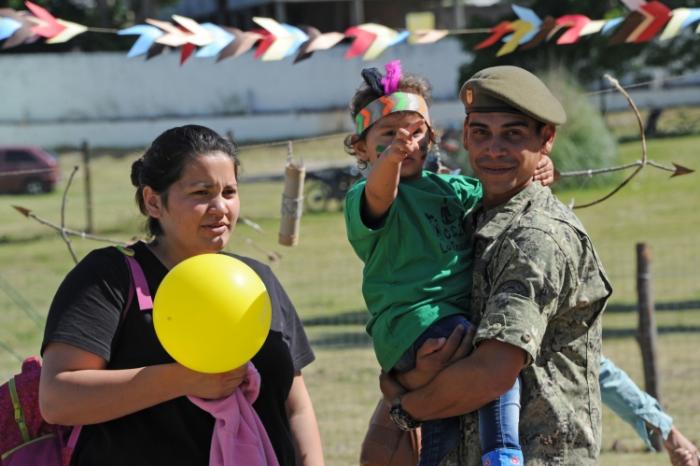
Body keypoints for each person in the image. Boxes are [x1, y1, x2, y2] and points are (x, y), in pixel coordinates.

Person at [38, 125, 324, 466]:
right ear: (153, 201)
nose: (220, 207)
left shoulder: (257, 280)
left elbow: (296, 405)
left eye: (229, 192)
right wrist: (183, 379)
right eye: (202, 193)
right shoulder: (109, 276)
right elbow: (58, 399)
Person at [377, 65, 613, 465]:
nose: (494, 150)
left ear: (547, 140)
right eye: (482, 132)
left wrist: (404, 407)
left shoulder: (536, 238)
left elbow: (492, 372)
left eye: (514, 135)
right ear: (466, 135)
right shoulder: (466, 220)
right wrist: (406, 377)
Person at [343, 61, 554, 466]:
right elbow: (379, 194)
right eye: (388, 135)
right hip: (413, 322)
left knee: (445, 418)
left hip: (448, 321)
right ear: (361, 148)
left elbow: (502, 193)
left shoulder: (452, 188)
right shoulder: (364, 196)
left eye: (416, 132)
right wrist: (390, 160)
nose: (404, 143)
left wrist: (541, 169)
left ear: (431, 138)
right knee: (490, 358)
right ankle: (503, 452)